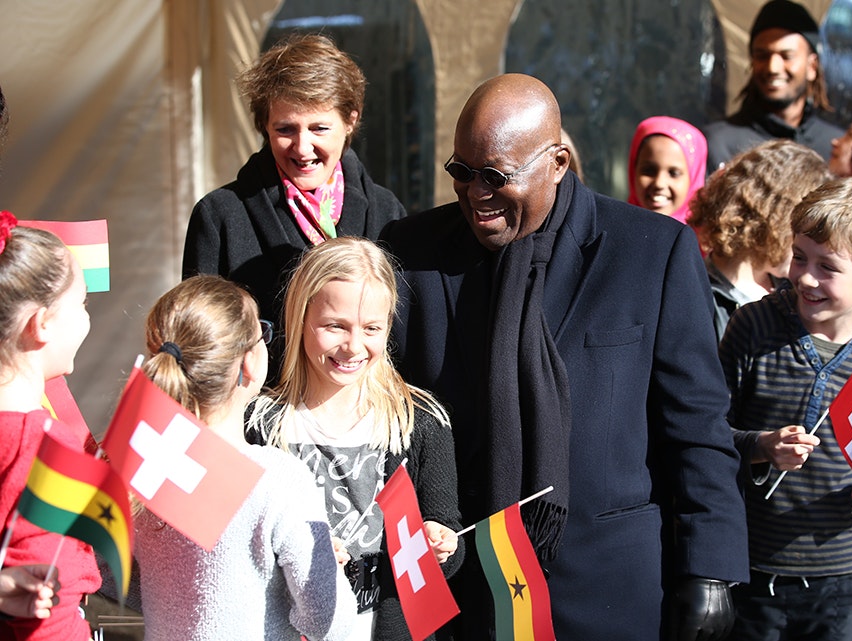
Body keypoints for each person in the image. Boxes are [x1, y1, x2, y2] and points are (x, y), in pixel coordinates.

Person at [379, 73, 748, 641]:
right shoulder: (411, 252)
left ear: (556, 162)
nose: (476, 193)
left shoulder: (651, 252)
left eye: (497, 176)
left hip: (605, 588)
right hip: (457, 592)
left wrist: (711, 569)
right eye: (461, 171)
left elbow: (697, 426)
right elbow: (380, 412)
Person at [719, 177, 852, 640]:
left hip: (840, 582)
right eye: (799, 256)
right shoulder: (753, 326)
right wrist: (762, 446)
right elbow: (708, 435)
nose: (805, 277)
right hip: (749, 566)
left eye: (828, 266)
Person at [247, 236, 463, 641]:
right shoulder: (258, 424)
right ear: (300, 318)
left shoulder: (420, 422)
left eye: (371, 329)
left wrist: (442, 544)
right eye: (335, 326)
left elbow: (448, 534)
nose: (353, 346)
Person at [132, 275, 356, 641]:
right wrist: (325, 566)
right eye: (262, 333)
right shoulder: (276, 478)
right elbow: (329, 621)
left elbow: (117, 579)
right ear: (248, 363)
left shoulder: (142, 465)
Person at [182, 33, 405, 375]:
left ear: (351, 121)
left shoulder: (386, 212)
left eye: (319, 128)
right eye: (285, 129)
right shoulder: (219, 216)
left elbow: (401, 335)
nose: (302, 148)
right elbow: (200, 346)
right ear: (264, 127)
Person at [0, 211, 100, 640]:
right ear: (41, 324)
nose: (86, 318)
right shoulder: (40, 444)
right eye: (81, 304)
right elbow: (47, 608)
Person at [688, 139, 830, 340]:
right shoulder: (700, 296)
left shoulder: (792, 289)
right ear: (778, 218)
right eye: (806, 227)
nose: (810, 242)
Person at [703, 0, 842, 170]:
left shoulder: (835, 148)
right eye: (762, 56)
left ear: (812, 66)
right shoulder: (718, 143)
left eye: (786, 56)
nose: (772, 68)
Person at [628, 116, 707, 222]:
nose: (659, 183)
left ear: (693, 178)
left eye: (674, 173)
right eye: (648, 171)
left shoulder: (707, 237)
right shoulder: (612, 230)